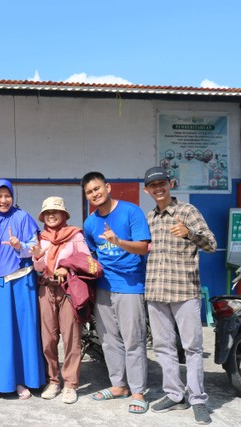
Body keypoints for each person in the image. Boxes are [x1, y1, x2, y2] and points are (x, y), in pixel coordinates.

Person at [142, 166, 216, 425]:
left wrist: (190, 233)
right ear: (147, 190)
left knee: (193, 347)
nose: (158, 188)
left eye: (162, 183)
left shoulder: (187, 211)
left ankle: (197, 399)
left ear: (170, 184)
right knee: (162, 346)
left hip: (184, 290)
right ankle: (175, 395)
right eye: (153, 185)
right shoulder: (148, 217)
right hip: (155, 291)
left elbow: (212, 244)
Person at [81, 171, 150, 414]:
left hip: (130, 285)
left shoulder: (131, 212)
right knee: (109, 338)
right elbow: (92, 254)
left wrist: (118, 241)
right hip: (104, 287)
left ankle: (138, 391)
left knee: (134, 338)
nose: (94, 194)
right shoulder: (89, 223)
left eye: (97, 188)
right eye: (89, 192)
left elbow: (143, 247)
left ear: (108, 187)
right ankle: (118, 385)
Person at [0, 179, 45, 399]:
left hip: (22, 280)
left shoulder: (23, 218)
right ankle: (3, 381)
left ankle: (25, 380)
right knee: (2, 334)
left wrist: (20, 246)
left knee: (24, 331)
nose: (3, 200)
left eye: (7, 195)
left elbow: (35, 247)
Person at [30, 196, 90, 404]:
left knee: (71, 337)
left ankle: (71, 384)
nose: (51, 215)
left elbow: (87, 260)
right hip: (46, 289)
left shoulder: (75, 236)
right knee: (48, 338)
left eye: (55, 211)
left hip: (67, 290)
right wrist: (38, 257)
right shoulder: (40, 238)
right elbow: (37, 268)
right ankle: (53, 380)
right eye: (47, 212)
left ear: (64, 214)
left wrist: (68, 266)